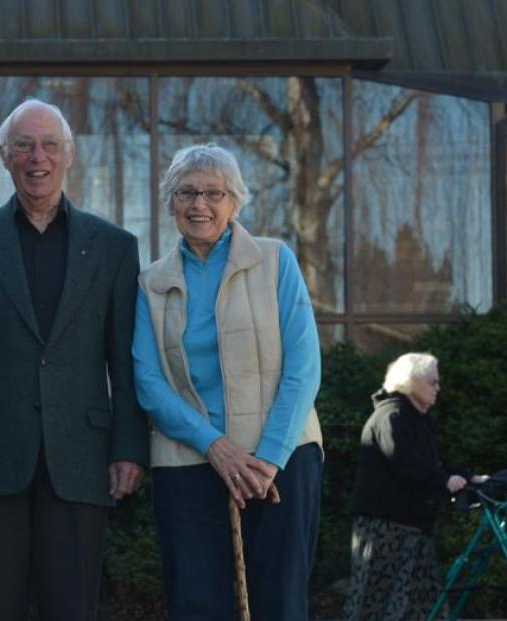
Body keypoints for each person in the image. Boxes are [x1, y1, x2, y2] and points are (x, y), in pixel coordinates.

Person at [0, 98, 148, 621]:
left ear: (69, 154)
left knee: (72, 607)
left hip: (82, 459)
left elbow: (126, 357)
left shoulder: (115, 247)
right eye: (23, 145)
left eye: (49, 144)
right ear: (4, 157)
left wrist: (129, 448)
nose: (37, 157)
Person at [132, 143, 324, 620]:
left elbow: (304, 366)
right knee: (197, 604)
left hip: (279, 463)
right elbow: (148, 380)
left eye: (213, 193)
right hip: (189, 465)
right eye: (187, 192)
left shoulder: (275, 261)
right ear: (170, 201)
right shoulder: (149, 283)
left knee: (278, 602)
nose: (200, 204)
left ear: (235, 202)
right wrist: (215, 445)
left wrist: (268, 460)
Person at [344, 352, 487, 621]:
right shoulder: (392, 416)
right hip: (386, 528)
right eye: (432, 382)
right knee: (377, 601)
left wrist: (470, 478)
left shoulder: (415, 418)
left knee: (421, 602)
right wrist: (445, 481)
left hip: (411, 528)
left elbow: (434, 461)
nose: (437, 388)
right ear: (412, 382)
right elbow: (407, 461)